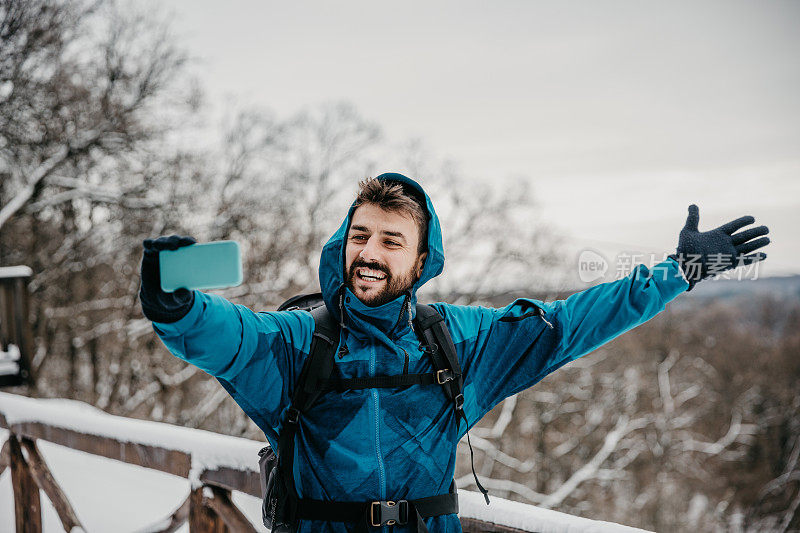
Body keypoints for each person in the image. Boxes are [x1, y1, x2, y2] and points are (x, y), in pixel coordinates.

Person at [139, 172, 770, 532]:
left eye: (391, 241)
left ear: (419, 261)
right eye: (360, 236)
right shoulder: (301, 341)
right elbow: (232, 335)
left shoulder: (458, 342)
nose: (370, 253)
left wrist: (679, 271)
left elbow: (566, 325)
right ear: (342, 246)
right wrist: (178, 306)